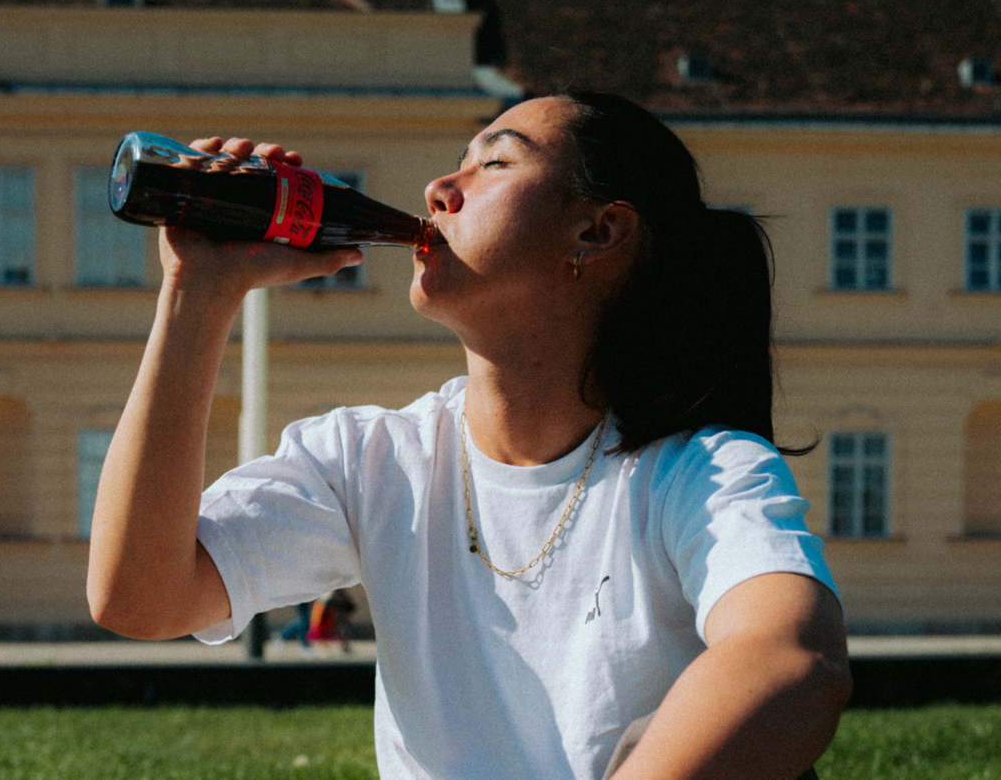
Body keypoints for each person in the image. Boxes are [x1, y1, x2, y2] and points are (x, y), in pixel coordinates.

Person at [87, 91, 852, 780]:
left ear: (595, 230)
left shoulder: (697, 472)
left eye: (494, 162)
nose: (436, 190)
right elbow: (141, 599)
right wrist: (197, 289)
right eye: (457, 163)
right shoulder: (372, 461)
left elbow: (793, 660)